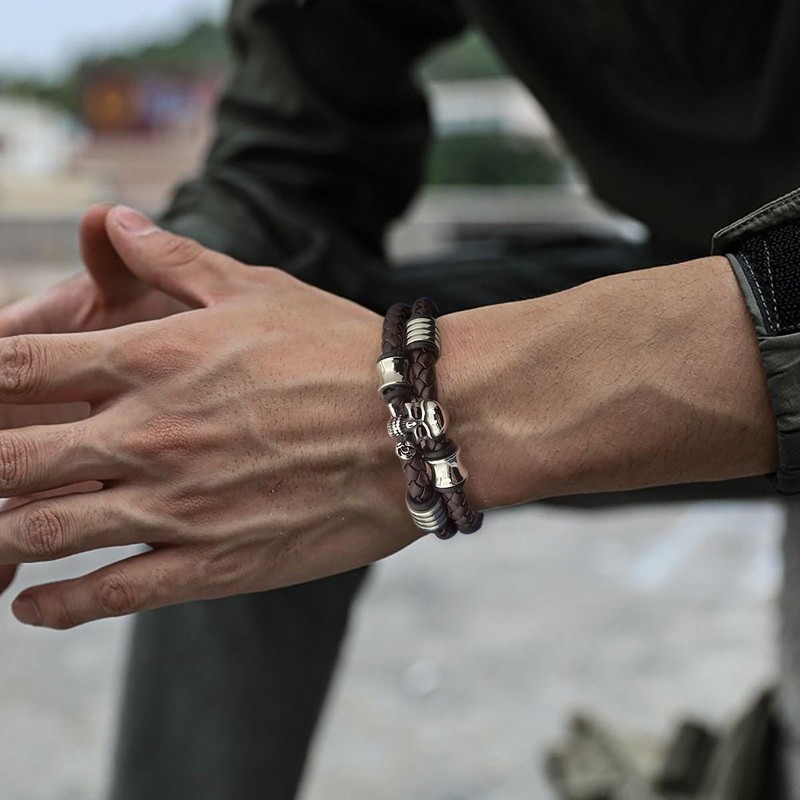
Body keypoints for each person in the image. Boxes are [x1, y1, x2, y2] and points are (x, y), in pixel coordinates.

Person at [0, 0, 799, 798]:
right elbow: (303, 133)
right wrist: (193, 299)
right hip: (690, 263)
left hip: (758, 315)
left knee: (278, 413)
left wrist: (428, 405)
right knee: (210, 414)